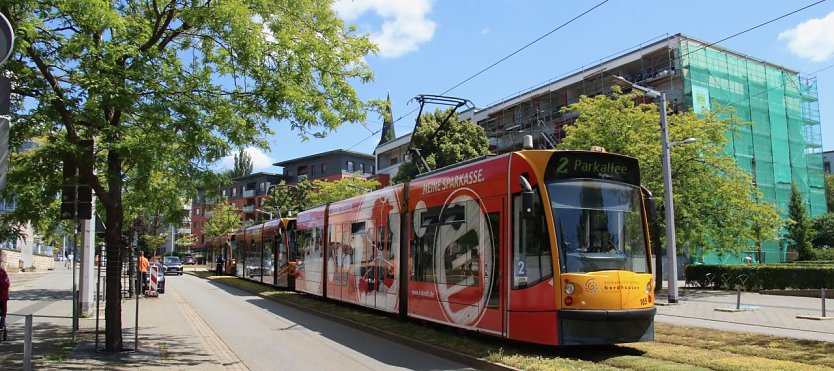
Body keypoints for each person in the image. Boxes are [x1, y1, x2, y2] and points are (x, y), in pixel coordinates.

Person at [1, 252, 9, 341]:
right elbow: (6, 284)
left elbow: (6, 284)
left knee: (3, 314)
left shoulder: (2, 272)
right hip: (3, 297)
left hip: (2, 297)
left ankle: (3, 328)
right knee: (3, 313)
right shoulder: (3, 272)